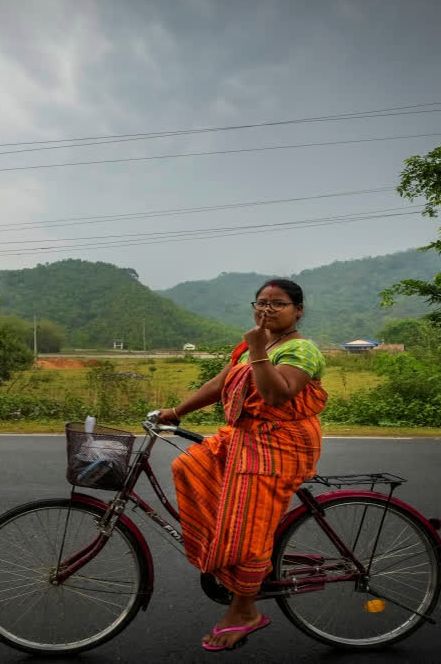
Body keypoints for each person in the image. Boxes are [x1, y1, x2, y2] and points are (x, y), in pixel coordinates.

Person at [157, 278, 327, 652]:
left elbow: (277, 394)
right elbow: (220, 384)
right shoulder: (253, 348)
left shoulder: (301, 350)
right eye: (261, 302)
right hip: (248, 438)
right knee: (190, 466)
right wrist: (175, 411)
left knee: (246, 526)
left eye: (278, 303)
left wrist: (259, 350)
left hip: (280, 445)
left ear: (298, 310)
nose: (267, 309)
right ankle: (227, 549)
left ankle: (244, 610)